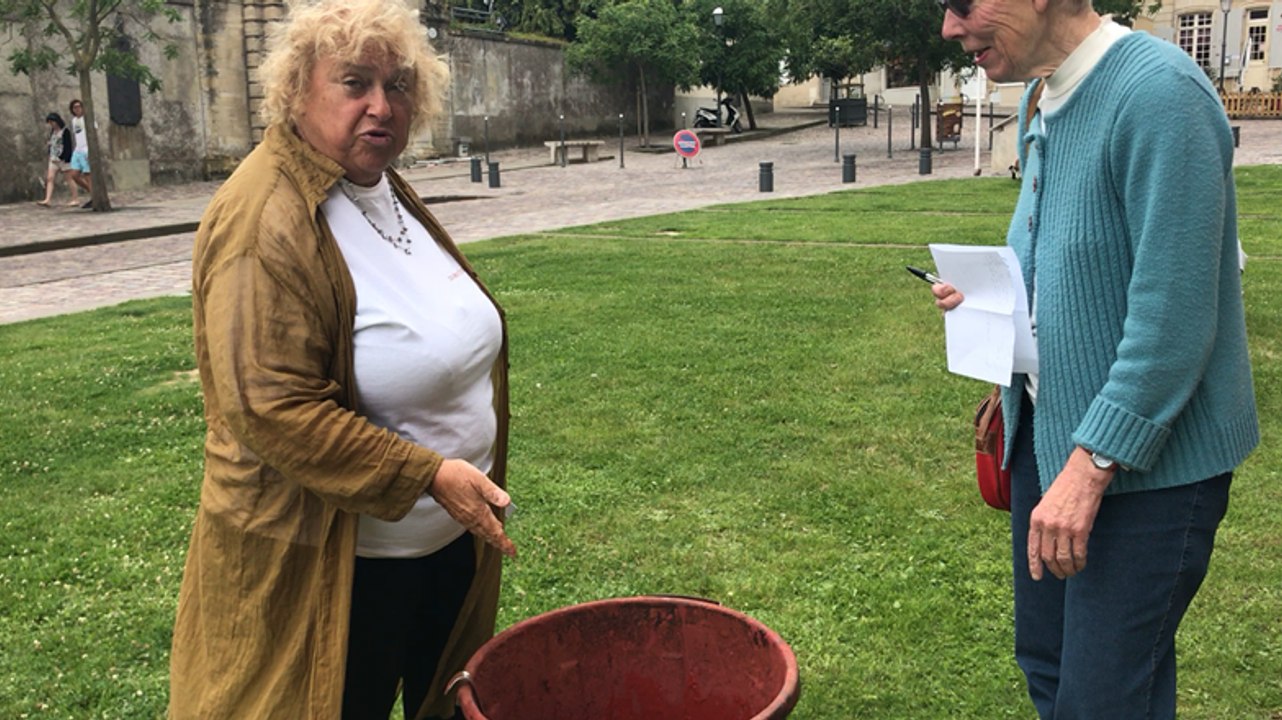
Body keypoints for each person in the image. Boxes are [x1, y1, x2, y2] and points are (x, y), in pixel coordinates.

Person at [168, 0, 517, 717]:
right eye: (354, 83)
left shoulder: (374, 184)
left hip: (437, 549)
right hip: (334, 572)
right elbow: (271, 407)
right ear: (298, 89)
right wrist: (426, 473)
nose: (380, 106)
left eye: (399, 85)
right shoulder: (263, 216)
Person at [932, 1, 1258, 718]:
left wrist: (1090, 468)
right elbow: (1062, 250)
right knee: (1049, 665)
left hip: (1147, 472)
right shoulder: (1041, 95)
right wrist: (993, 298)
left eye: (963, 3)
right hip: (1049, 445)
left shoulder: (1159, 94)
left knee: (1104, 699)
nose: (950, 29)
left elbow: (1174, 317)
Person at [36, 112, 77, 207]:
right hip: (53, 158)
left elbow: (68, 146)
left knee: (69, 179)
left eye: (52, 122)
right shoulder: (52, 132)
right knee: (50, 178)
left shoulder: (65, 131)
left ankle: (75, 198)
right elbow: (53, 142)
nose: (51, 124)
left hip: (63, 159)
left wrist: (65, 158)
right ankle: (47, 199)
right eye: (50, 122)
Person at [66, 99, 93, 207]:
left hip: (86, 149)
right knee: (74, 174)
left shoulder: (87, 119)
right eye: (74, 107)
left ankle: (94, 197)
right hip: (78, 150)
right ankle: (92, 192)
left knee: (87, 175)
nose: (77, 109)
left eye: (78, 106)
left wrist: (90, 151)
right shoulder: (74, 121)